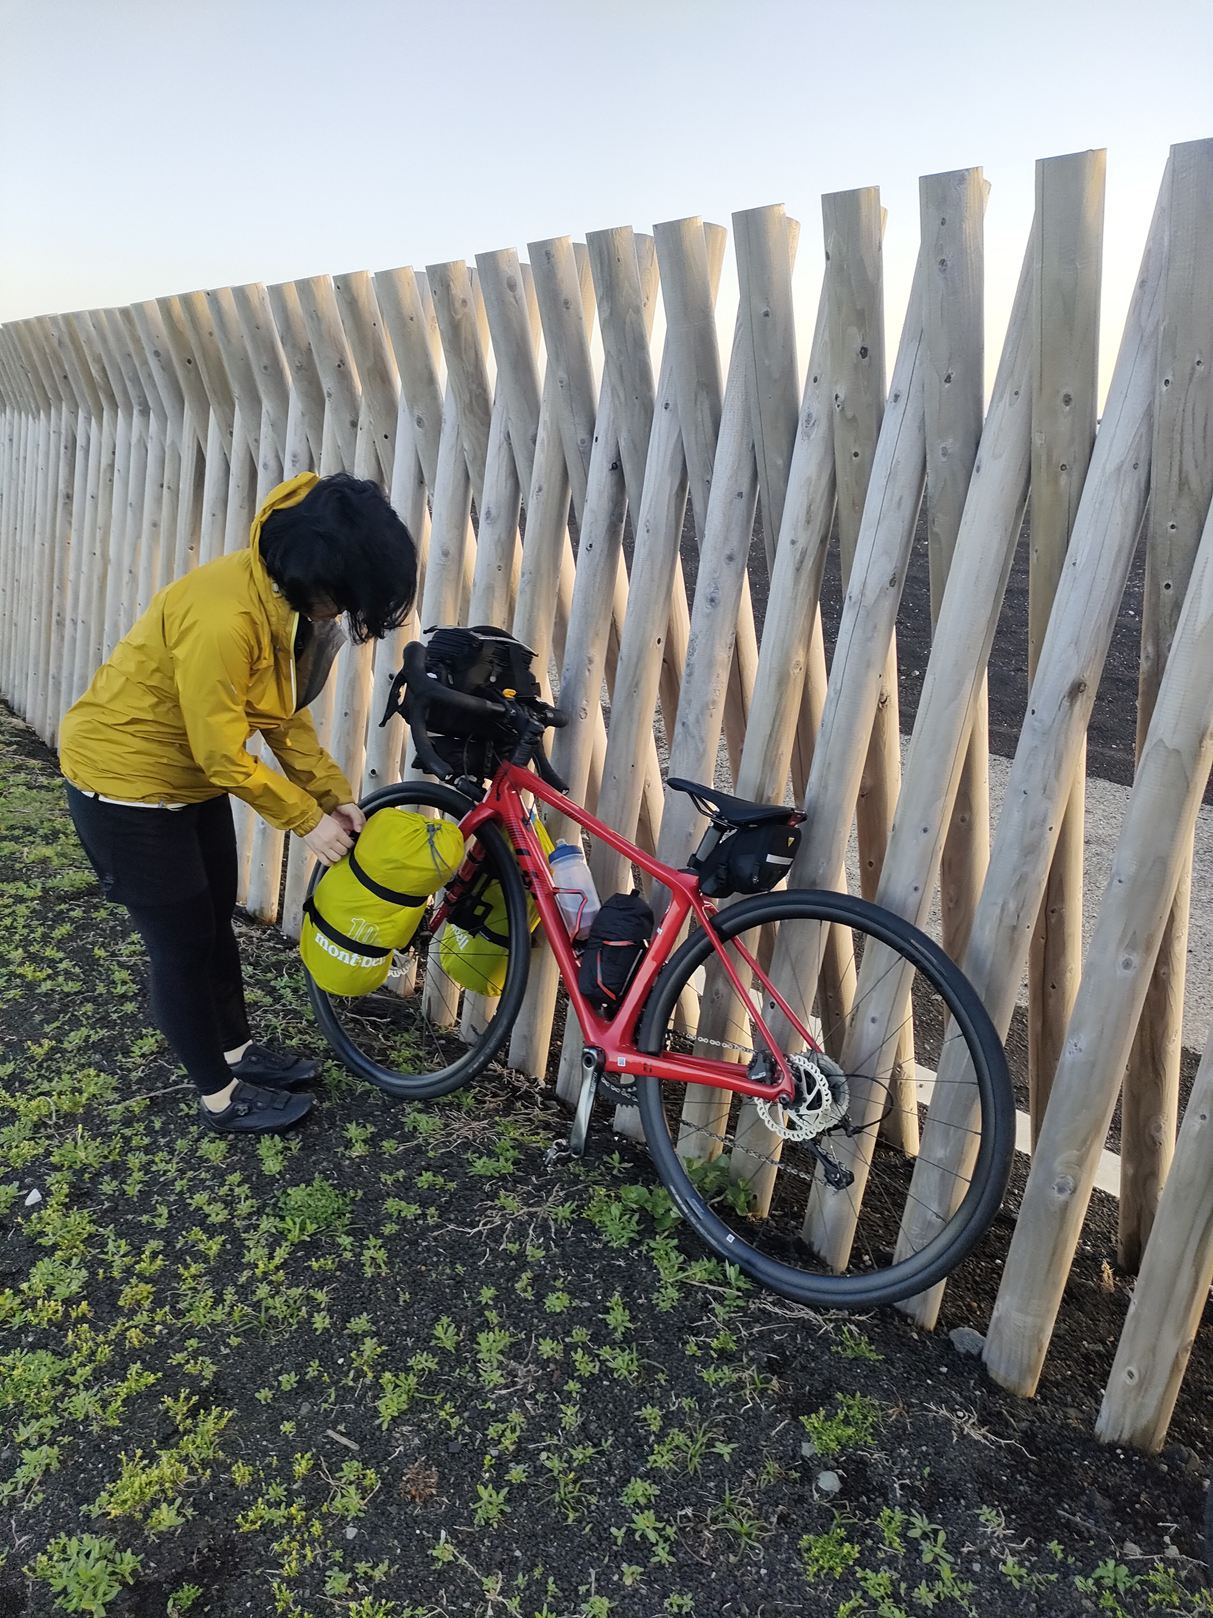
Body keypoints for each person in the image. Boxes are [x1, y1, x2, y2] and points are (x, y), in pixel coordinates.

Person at [60, 471, 416, 1135]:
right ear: (319, 576)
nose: (344, 614)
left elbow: (280, 714)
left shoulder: (278, 601)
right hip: (125, 786)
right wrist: (306, 821)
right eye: (345, 599)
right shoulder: (225, 619)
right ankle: (220, 1096)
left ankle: (236, 1051)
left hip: (188, 781)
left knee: (214, 920)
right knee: (182, 945)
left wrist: (332, 796)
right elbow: (222, 754)